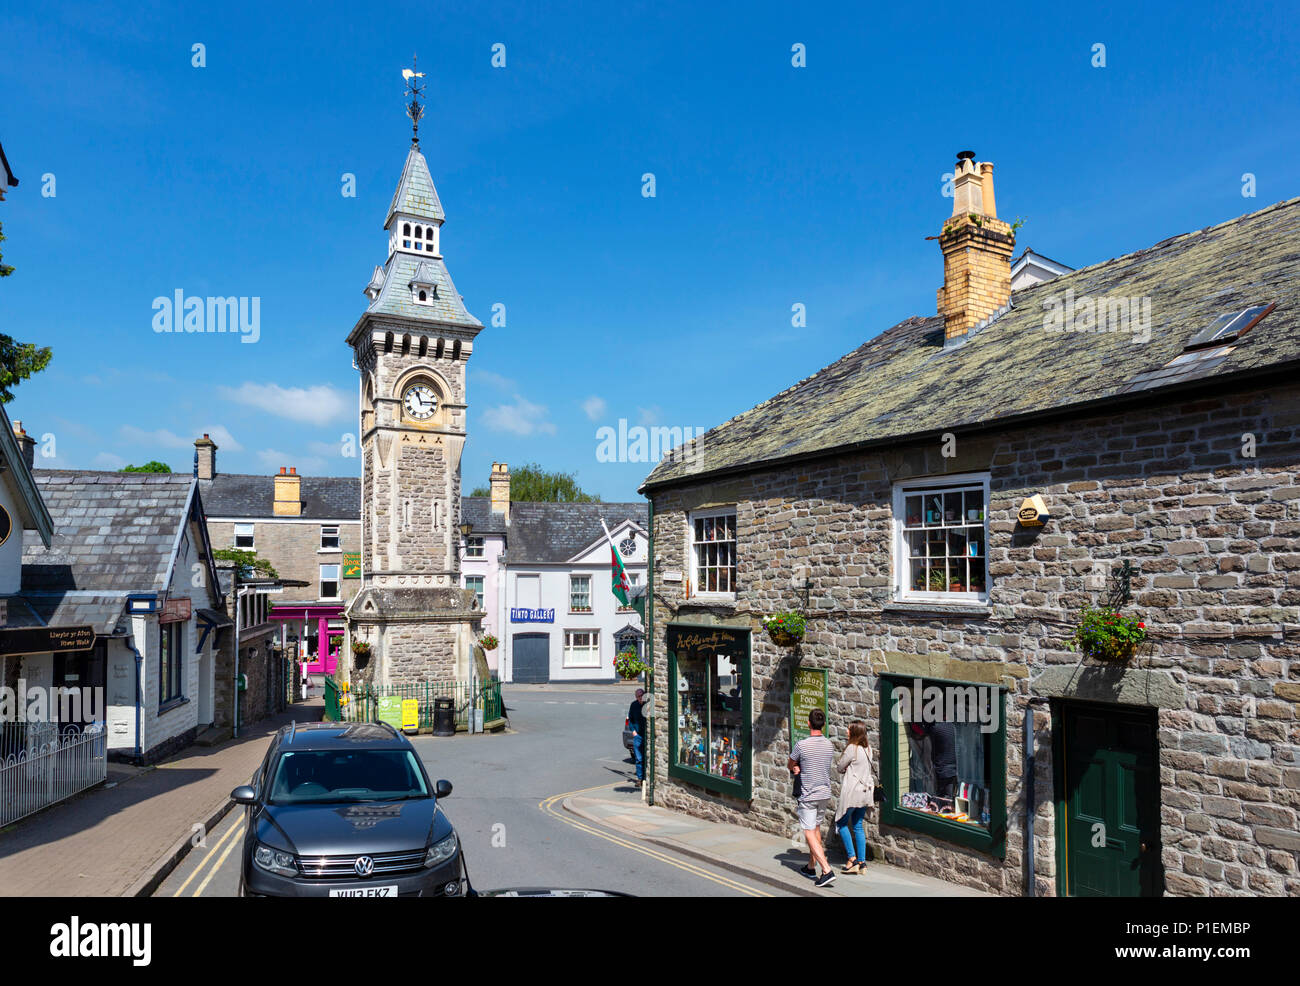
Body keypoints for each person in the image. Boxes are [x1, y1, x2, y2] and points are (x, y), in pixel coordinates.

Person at [788, 708, 836, 888]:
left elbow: (790, 763)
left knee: (808, 832)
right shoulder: (829, 745)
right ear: (823, 725)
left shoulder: (802, 745)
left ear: (808, 723)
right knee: (815, 829)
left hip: (808, 795)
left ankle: (826, 870)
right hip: (824, 793)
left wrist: (796, 768)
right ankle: (810, 866)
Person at [834, 721, 874, 874]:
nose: (846, 731)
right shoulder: (868, 749)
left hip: (853, 793)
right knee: (857, 826)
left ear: (855, 733)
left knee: (841, 823)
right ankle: (862, 863)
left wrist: (846, 768)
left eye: (849, 729)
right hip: (865, 793)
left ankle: (852, 859)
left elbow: (839, 767)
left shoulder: (852, 748)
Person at [628, 687, 649, 788]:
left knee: (647, 757)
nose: (640, 698)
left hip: (647, 735)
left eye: (641, 695)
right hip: (638, 736)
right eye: (638, 696)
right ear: (636, 697)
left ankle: (647, 778)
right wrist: (633, 731)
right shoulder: (633, 705)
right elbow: (630, 719)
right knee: (639, 758)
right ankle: (640, 779)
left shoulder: (648, 705)